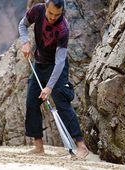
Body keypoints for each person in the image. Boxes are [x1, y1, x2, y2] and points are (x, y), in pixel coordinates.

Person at [18, 0, 89, 158]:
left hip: (57, 68)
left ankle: (81, 146)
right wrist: (25, 41)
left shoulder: (63, 28)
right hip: (40, 64)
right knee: (31, 102)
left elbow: (60, 61)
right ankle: (38, 147)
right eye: (50, 13)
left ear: (62, 11)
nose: (52, 17)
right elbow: (22, 25)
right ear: (45, 7)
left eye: (57, 15)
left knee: (61, 102)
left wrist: (49, 87)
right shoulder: (37, 10)